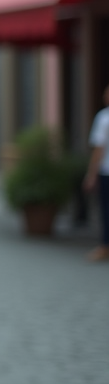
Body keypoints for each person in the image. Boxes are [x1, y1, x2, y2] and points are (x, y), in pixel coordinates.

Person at [83, 83, 109, 262]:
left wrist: (91, 175)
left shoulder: (104, 118)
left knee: (106, 210)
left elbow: (98, 149)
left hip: (106, 171)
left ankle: (105, 246)